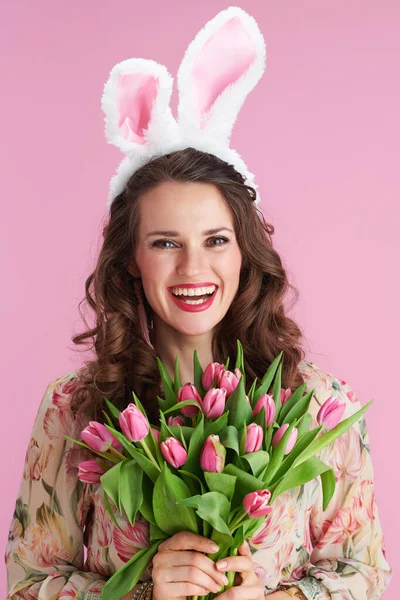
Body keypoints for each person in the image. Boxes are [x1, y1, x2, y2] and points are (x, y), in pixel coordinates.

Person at [5, 7, 392, 600]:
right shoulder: (74, 410)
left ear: (245, 252)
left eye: (215, 240)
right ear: (132, 258)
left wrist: (272, 599)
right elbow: (28, 581)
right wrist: (143, 594)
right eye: (165, 243)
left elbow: (365, 572)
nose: (193, 269)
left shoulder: (317, 405)